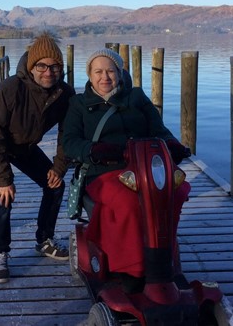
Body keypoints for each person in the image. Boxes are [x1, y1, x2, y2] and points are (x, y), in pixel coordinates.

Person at [62, 48, 191, 290]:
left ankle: (164, 260)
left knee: (177, 192)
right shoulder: (78, 104)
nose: (105, 77)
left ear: (120, 74)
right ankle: (131, 268)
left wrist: (173, 145)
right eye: (98, 71)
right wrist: (93, 150)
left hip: (143, 167)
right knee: (129, 203)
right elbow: (69, 142)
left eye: (111, 71)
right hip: (103, 170)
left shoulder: (137, 98)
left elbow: (159, 130)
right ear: (89, 75)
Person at [0, 32, 76, 284]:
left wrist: (59, 167)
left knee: (55, 185)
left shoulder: (64, 94)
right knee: (2, 195)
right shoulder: (8, 90)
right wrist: (4, 179)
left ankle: (45, 239)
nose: (48, 72)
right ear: (31, 66)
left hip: (23, 146)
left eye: (54, 66)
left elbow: (69, 133)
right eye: (42, 65)